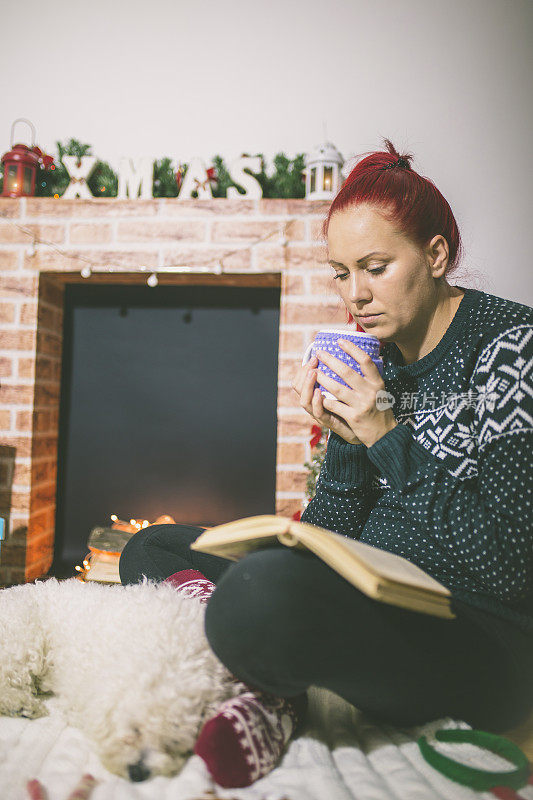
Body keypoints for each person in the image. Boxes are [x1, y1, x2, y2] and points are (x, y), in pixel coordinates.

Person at [119, 139, 533, 788]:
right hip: (364, 597)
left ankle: (259, 674)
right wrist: (342, 437)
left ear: (435, 255)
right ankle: (268, 680)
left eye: (374, 267)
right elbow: (336, 535)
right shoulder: (377, 353)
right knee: (151, 549)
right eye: (340, 273)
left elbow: (507, 565)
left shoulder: (510, 349)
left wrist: (382, 432)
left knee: (260, 597)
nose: (355, 295)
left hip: (477, 636)